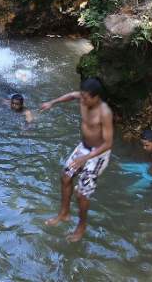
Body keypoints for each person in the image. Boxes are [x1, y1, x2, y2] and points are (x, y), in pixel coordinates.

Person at [39, 77, 114, 242]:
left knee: (82, 194)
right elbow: (72, 95)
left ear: (96, 97)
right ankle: (64, 214)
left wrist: (85, 158)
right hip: (83, 147)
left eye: (86, 97)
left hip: (98, 154)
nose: (82, 99)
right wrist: (52, 102)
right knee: (65, 177)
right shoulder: (82, 97)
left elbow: (108, 143)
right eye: (82, 95)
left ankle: (81, 226)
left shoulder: (105, 112)